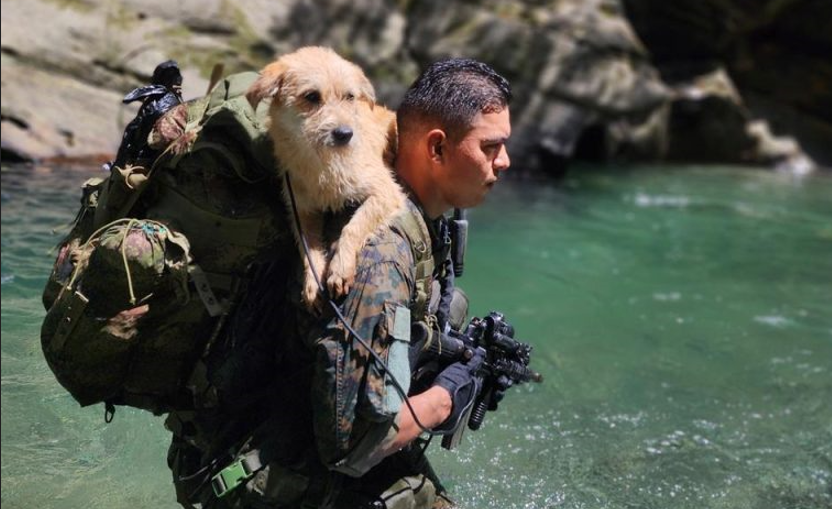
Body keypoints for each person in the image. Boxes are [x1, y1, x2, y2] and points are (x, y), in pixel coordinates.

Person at [167, 57, 512, 509]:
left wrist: (454, 354)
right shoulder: (380, 257)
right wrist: (447, 397)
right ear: (437, 149)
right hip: (281, 485)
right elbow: (348, 448)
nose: (504, 162)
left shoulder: (421, 222)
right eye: (490, 147)